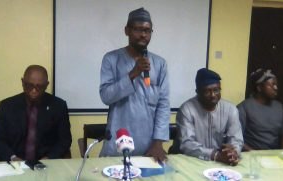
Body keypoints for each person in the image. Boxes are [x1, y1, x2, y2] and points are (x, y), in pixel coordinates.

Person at [99, 7, 170, 161]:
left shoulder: (160, 64)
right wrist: (132, 74)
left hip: (149, 147)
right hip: (118, 143)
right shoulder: (111, 59)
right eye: (138, 29)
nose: (143, 34)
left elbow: (163, 105)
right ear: (127, 30)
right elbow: (106, 96)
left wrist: (158, 143)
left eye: (147, 30)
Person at [0, 65, 72, 161]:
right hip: (14, 164)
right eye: (29, 85)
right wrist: (13, 158)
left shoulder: (58, 106)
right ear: (22, 82)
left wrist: (49, 158)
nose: (34, 90)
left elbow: (64, 140)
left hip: (47, 164)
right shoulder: (7, 106)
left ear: (46, 85)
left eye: (39, 86)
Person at [170, 68, 243, 166]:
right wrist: (215, 155)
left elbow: (236, 139)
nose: (213, 95)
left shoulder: (231, 109)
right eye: (207, 91)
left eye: (216, 90)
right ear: (197, 91)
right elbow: (187, 144)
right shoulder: (187, 109)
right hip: (191, 161)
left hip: (220, 162)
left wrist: (233, 153)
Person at [238, 69, 283, 150]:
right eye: (271, 85)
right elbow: (236, 139)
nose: (275, 88)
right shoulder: (244, 107)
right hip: (251, 155)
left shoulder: (279, 107)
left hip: (274, 156)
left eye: (276, 84)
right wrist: (256, 155)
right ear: (259, 87)